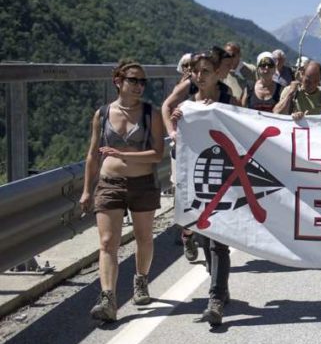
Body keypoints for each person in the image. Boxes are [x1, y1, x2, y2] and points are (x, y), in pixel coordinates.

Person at [81, 61, 165, 322]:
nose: (139, 86)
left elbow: (158, 154)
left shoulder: (152, 113)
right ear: (118, 81)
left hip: (142, 184)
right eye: (133, 80)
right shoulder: (103, 114)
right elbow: (93, 155)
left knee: (144, 238)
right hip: (110, 183)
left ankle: (140, 279)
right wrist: (86, 190)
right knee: (107, 243)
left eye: (143, 82)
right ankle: (108, 298)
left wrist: (124, 152)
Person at [164, 51, 235, 326]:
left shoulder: (227, 99)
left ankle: (215, 298)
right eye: (197, 72)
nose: (201, 76)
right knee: (204, 235)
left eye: (206, 71)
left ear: (216, 73)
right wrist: (177, 123)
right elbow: (170, 116)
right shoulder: (187, 102)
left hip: (224, 176)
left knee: (219, 240)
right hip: (197, 177)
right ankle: (222, 287)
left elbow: (242, 127)